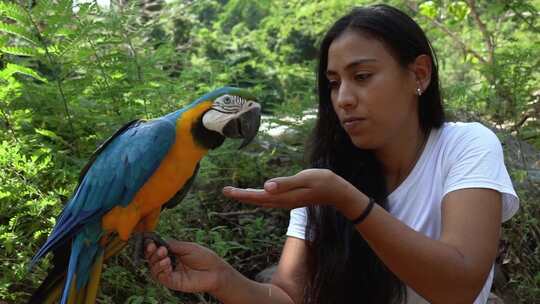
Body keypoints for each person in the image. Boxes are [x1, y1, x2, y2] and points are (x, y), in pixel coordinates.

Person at [145, 4, 519, 304]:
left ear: (419, 75)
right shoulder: (328, 176)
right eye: (334, 83)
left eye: (362, 77)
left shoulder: (466, 146)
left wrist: (349, 201)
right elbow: (287, 295)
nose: (343, 99)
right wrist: (224, 279)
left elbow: (458, 289)